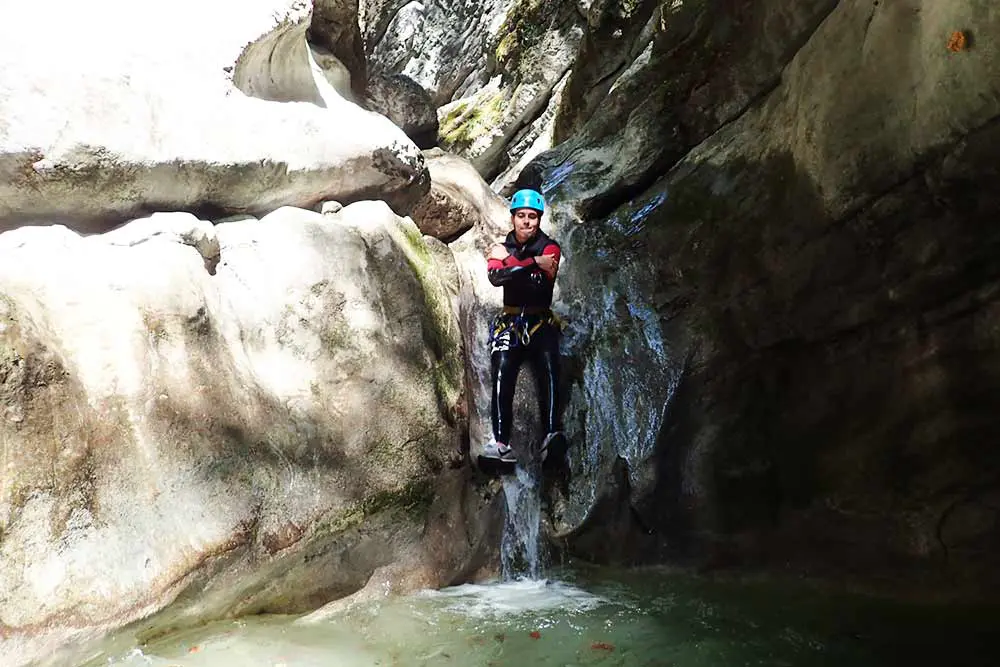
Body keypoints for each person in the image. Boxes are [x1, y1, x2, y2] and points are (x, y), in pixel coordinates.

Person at [480, 188, 567, 465]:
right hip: (511, 319)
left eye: (532, 217)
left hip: (540, 320)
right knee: (502, 368)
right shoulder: (501, 247)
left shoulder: (550, 247)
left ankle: (553, 434)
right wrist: (530, 264)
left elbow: (541, 279)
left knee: (550, 367)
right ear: (513, 217)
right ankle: (501, 443)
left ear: (539, 219)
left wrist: (511, 263)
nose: (526, 222)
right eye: (521, 216)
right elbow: (496, 277)